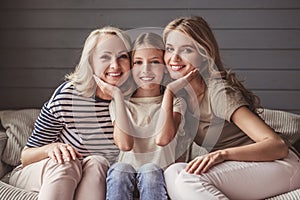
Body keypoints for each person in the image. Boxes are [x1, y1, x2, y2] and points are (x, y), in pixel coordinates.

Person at [163, 16, 300, 200]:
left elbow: (277, 146)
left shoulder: (218, 92)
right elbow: (166, 143)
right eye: (169, 49)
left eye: (186, 50)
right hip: (242, 168)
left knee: (188, 180)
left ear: (205, 55)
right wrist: (169, 92)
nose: (174, 58)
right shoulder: (183, 99)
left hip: (280, 165)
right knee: (173, 172)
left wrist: (222, 155)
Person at [8, 26, 132, 200]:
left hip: (90, 174)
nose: (115, 65)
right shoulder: (68, 96)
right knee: (67, 163)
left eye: (123, 56)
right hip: (47, 171)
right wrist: (52, 148)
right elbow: (26, 156)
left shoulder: (134, 101)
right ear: (90, 61)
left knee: (98, 163)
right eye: (105, 56)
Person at [95, 32, 190, 200]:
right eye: (138, 62)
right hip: (124, 180)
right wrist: (117, 95)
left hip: (158, 182)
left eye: (154, 62)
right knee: (118, 170)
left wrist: (169, 91)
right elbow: (124, 144)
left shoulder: (176, 103)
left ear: (165, 68)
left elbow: (163, 139)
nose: (146, 69)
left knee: (150, 170)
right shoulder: (120, 104)